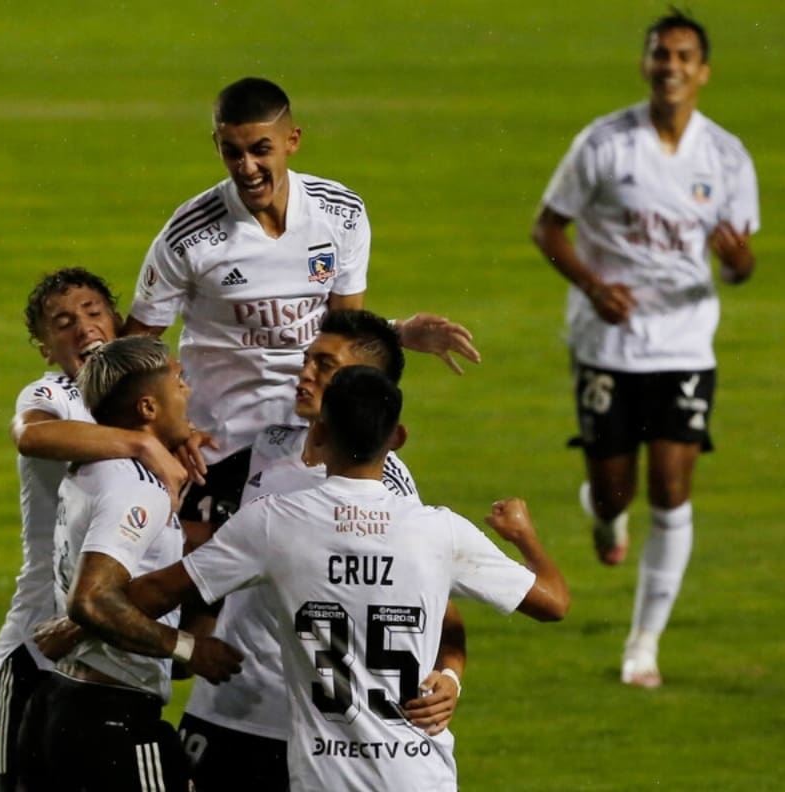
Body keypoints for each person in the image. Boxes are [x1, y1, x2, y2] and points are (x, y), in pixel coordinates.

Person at [122, 366, 570, 791]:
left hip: (323, 777)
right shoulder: (440, 531)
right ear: (396, 438)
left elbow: (148, 595)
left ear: (318, 434)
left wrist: (95, 602)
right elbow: (553, 603)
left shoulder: (274, 524)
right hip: (420, 777)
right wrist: (525, 538)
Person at [122, 76, 480, 550]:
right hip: (220, 447)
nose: (246, 167)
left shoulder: (341, 214)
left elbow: (342, 339)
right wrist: (175, 429)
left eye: (260, 149)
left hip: (314, 441)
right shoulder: (191, 235)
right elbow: (132, 351)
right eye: (232, 152)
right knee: (209, 598)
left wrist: (395, 333)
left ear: (293, 141)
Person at [530, 9, 759, 689]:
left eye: (685, 56)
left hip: (686, 346)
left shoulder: (726, 157)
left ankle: (643, 646)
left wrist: (741, 261)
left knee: (670, 487)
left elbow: (739, 265)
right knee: (611, 492)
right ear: (645, 64)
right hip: (608, 343)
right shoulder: (605, 144)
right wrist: (594, 286)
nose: (671, 67)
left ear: (703, 71)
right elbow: (547, 229)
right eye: (661, 54)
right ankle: (603, 517)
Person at [175, 309, 467, 791]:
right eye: (307, 360)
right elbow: (202, 563)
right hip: (230, 710)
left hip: (320, 735)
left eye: (324, 366)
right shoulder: (260, 450)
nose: (305, 373)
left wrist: (451, 677)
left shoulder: (388, 493)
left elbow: (436, 607)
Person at [0, 267, 189, 791]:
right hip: (39, 647)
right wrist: (142, 444)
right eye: (63, 322)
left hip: (107, 653)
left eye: (94, 312)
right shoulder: (53, 394)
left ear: (119, 323)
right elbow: (31, 435)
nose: (83, 327)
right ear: (46, 348)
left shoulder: (155, 404)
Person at [16, 336, 243, 792]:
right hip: (110, 724)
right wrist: (188, 648)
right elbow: (93, 599)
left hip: (65, 704)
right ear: (147, 408)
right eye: (179, 383)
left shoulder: (95, 466)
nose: (189, 392)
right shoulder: (135, 485)